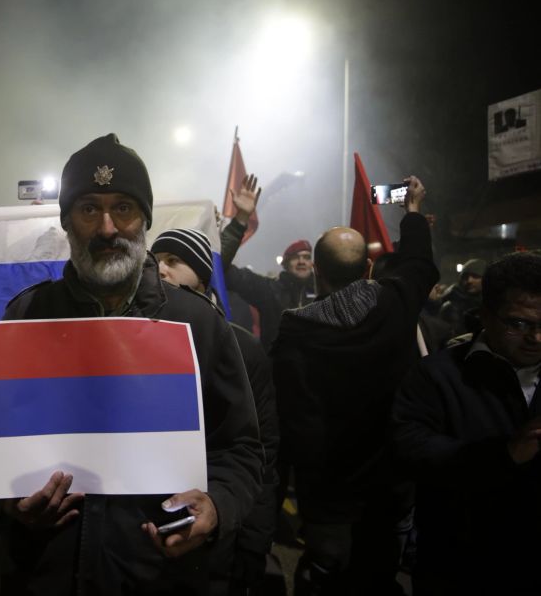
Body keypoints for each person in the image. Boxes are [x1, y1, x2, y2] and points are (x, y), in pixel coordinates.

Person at [0, 133, 263, 595]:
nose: (107, 228)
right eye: (89, 209)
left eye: (123, 208)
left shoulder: (197, 323)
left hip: (159, 576)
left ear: (144, 219)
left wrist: (218, 505)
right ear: (66, 223)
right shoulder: (25, 317)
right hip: (45, 573)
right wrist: (5, 507)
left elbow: (240, 448)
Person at [270, 176, 438, 595]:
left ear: (318, 273)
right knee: (378, 578)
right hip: (390, 490)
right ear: (368, 268)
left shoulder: (292, 337)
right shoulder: (396, 305)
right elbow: (418, 264)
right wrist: (412, 212)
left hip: (327, 499)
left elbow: (288, 427)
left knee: (325, 578)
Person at [392, 251, 541, 595]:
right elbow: (409, 447)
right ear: (486, 315)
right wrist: (502, 455)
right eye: (519, 323)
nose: (535, 338)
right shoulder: (440, 376)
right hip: (462, 566)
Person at [151, 228, 279, 596]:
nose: (160, 270)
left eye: (174, 261)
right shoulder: (137, 341)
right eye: (156, 261)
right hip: (154, 531)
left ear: (204, 278)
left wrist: (253, 540)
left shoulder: (239, 346)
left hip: (218, 532)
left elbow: (260, 450)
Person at [220, 174, 316, 350]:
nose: (302, 261)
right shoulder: (269, 291)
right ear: (285, 264)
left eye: (307, 257)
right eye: (296, 257)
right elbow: (220, 269)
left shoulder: (324, 293)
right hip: (277, 374)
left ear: (313, 264)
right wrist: (241, 218)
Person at [438, 258, 485, 336]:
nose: (469, 280)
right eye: (465, 277)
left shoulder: (492, 302)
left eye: (475, 276)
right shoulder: (451, 306)